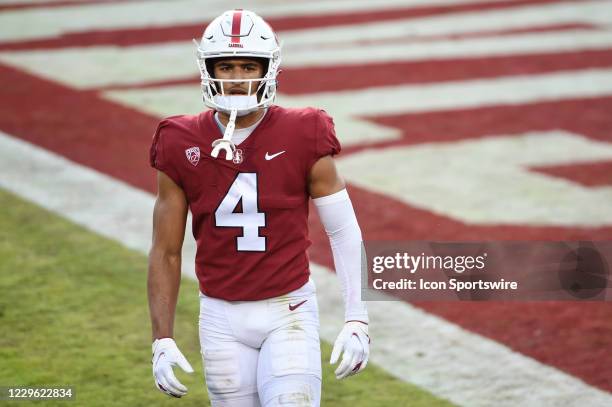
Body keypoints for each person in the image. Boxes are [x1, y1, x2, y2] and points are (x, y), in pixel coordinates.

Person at [147, 9, 370, 407]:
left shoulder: (305, 130)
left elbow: (344, 231)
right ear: (208, 69)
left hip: (289, 309)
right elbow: (165, 249)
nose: (236, 78)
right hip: (219, 316)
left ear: (269, 68)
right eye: (226, 66)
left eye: (249, 65)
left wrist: (358, 318)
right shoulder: (178, 139)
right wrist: (161, 338)